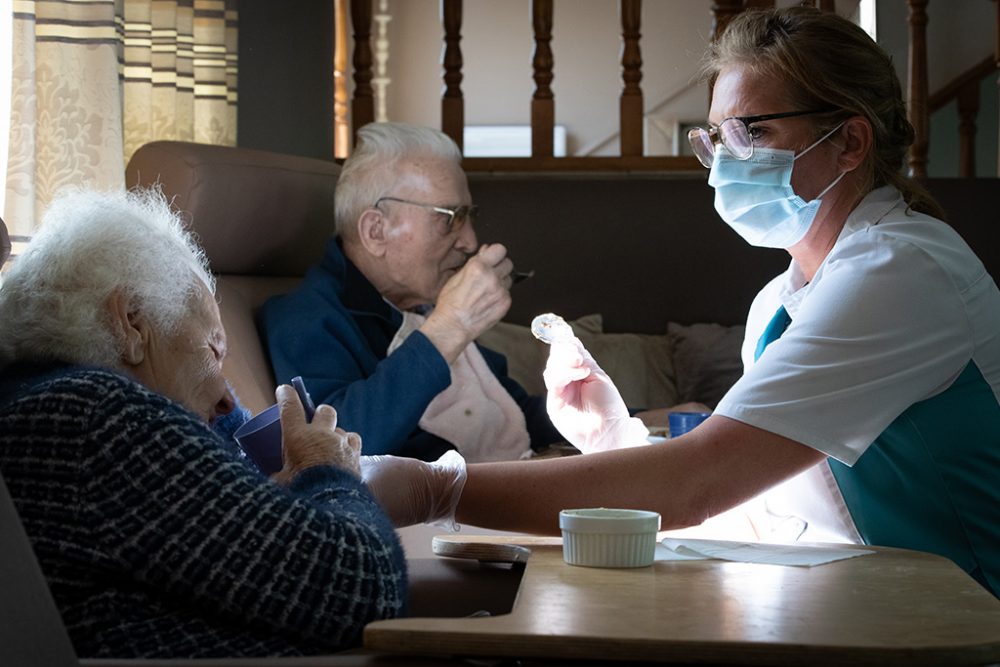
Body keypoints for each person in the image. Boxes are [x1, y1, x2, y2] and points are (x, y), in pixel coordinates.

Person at [361, 6, 1000, 598]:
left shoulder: (901, 269)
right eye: (716, 139)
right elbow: (757, 501)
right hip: (868, 599)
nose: (725, 164)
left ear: (850, 142)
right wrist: (619, 440)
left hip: (962, 614)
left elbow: (699, 482)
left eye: (752, 132)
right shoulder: (780, 303)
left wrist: (435, 487)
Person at [0, 188, 406, 658]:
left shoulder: (36, 401)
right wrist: (327, 470)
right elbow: (361, 588)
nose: (224, 399)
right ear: (131, 322)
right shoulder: (103, 420)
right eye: (213, 349)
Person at [260, 121, 566, 463]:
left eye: (469, 216)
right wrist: (449, 328)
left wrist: (619, 419)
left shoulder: (419, 305)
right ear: (376, 231)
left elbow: (510, 413)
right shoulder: (305, 320)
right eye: (451, 218)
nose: (470, 241)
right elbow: (336, 451)